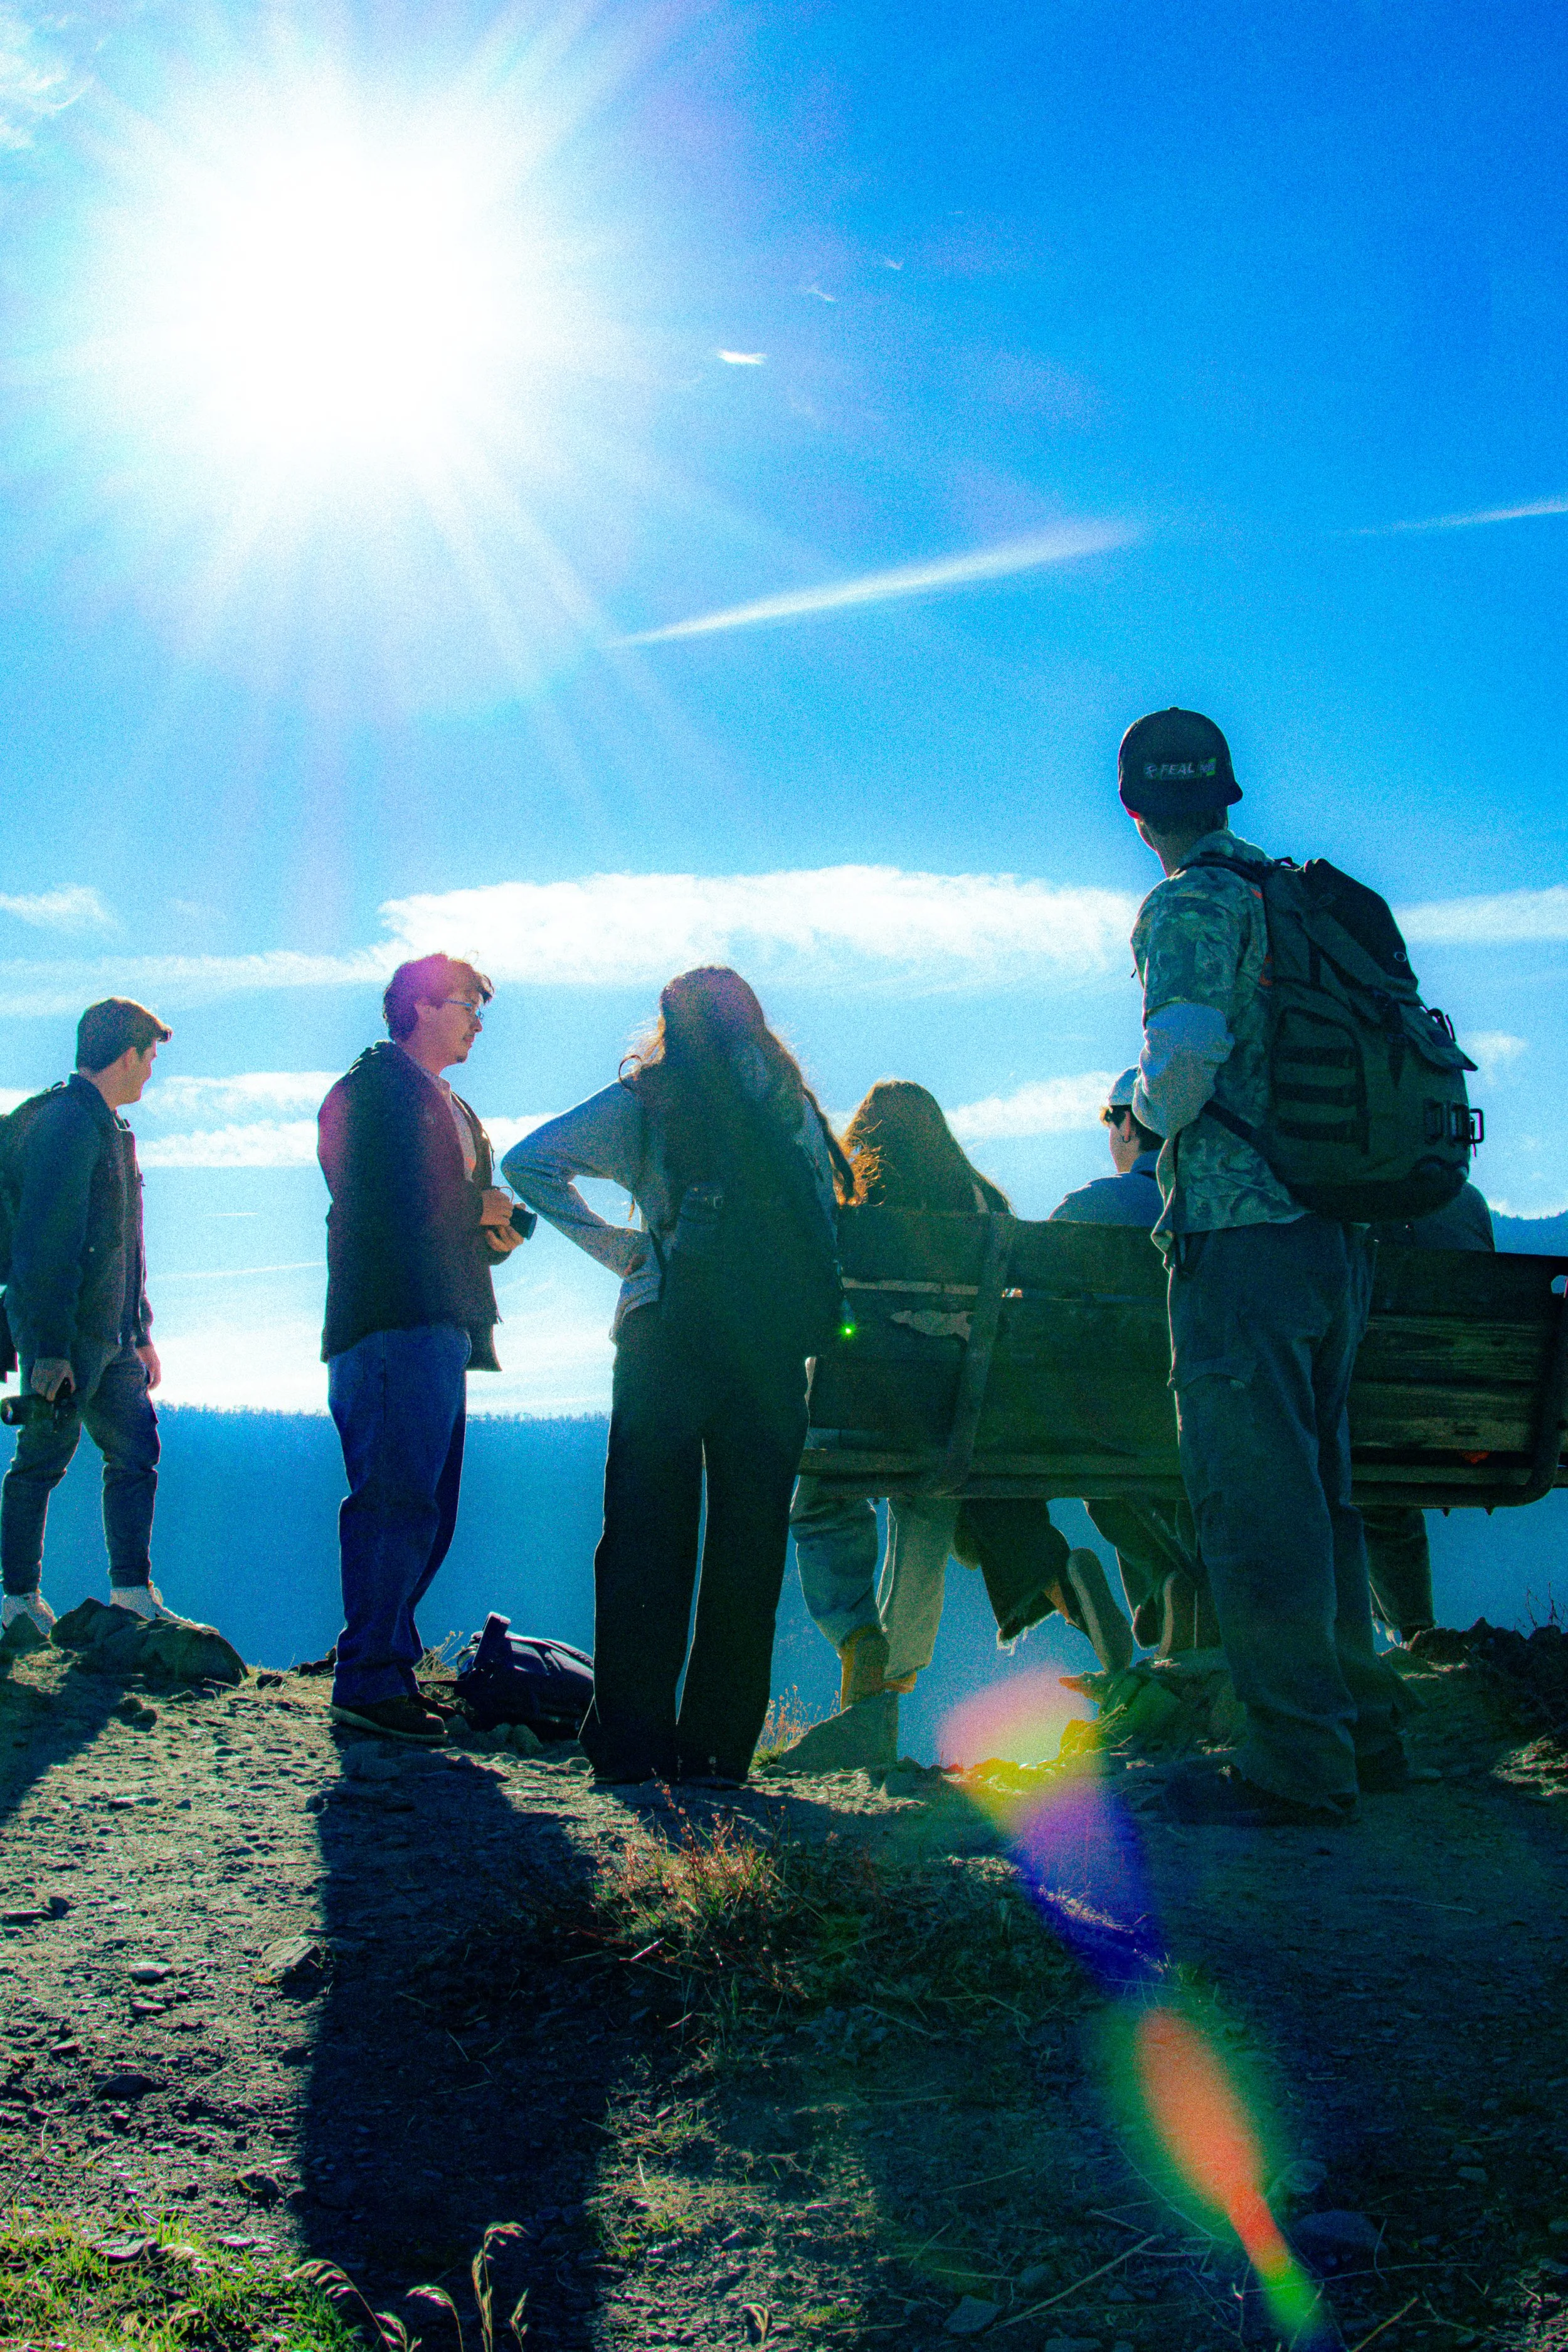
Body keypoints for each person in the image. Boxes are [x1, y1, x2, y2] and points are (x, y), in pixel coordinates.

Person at [1119, 706, 1409, 1825]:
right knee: (1323, 1496)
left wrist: (1142, 1113)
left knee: (1255, 1508)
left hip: (1241, 1233)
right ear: (1228, 795)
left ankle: (1295, 1762)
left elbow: (1185, 1060)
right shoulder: (1294, 899)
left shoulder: (1189, 901)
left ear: (1137, 812)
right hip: (1339, 1231)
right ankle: (1364, 1734)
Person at [502, 967, 851, 1788]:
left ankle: (632, 1748)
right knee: (749, 1544)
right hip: (768, 1348)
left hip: (668, 1333)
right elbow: (823, 1229)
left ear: (668, 1024)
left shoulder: (650, 1101)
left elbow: (530, 1165)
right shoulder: (790, 1105)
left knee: (644, 1541)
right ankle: (719, 1751)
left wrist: (622, 1248)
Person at [789, 1079, 1134, 1707]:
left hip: (863, 1411)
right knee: (932, 1506)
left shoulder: (855, 1212)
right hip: (967, 1417)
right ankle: (1046, 1583)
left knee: (818, 1507)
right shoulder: (988, 1206)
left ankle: (860, 1636)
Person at [317, 954, 527, 1744]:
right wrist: (479, 1208)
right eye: (469, 1003)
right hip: (388, 1322)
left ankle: (385, 1668)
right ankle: (369, 1678)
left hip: (442, 1324)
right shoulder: (368, 1091)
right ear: (421, 1006)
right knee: (395, 1501)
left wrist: (495, 1232)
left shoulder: (455, 1106)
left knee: (423, 1507)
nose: (478, 1020)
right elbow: (378, 1197)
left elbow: (455, 1218)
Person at [0, 997, 183, 1633]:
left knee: (136, 1453)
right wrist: (47, 1348)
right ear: (128, 1052)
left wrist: (142, 1332)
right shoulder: (65, 1126)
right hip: (70, 1337)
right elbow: (45, 1244)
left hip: (115, 1336)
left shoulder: (110, 1129)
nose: (152, 1071)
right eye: (151, 1055)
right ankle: (16, 1602)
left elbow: (125, 1244)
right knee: (43, 1457)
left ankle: (132, 1594)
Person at [1048, 1067, 1219, 1655]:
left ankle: (1161, 1590)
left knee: (1111, 1471)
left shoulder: (1088, 1208)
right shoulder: (1220, 1209)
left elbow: (1031, 1309)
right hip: (1212, 1413)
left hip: (1111, 1419)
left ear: (1128, 1124)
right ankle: (1175, 1604)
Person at [1364, 1181, 1495, 1641]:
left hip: (1390, 1434)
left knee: (1355, 1465)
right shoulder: (1470, 1202)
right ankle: (1414, 1634)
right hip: (1487, 1430)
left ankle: (1411, 1634)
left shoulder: (1348, 1199)